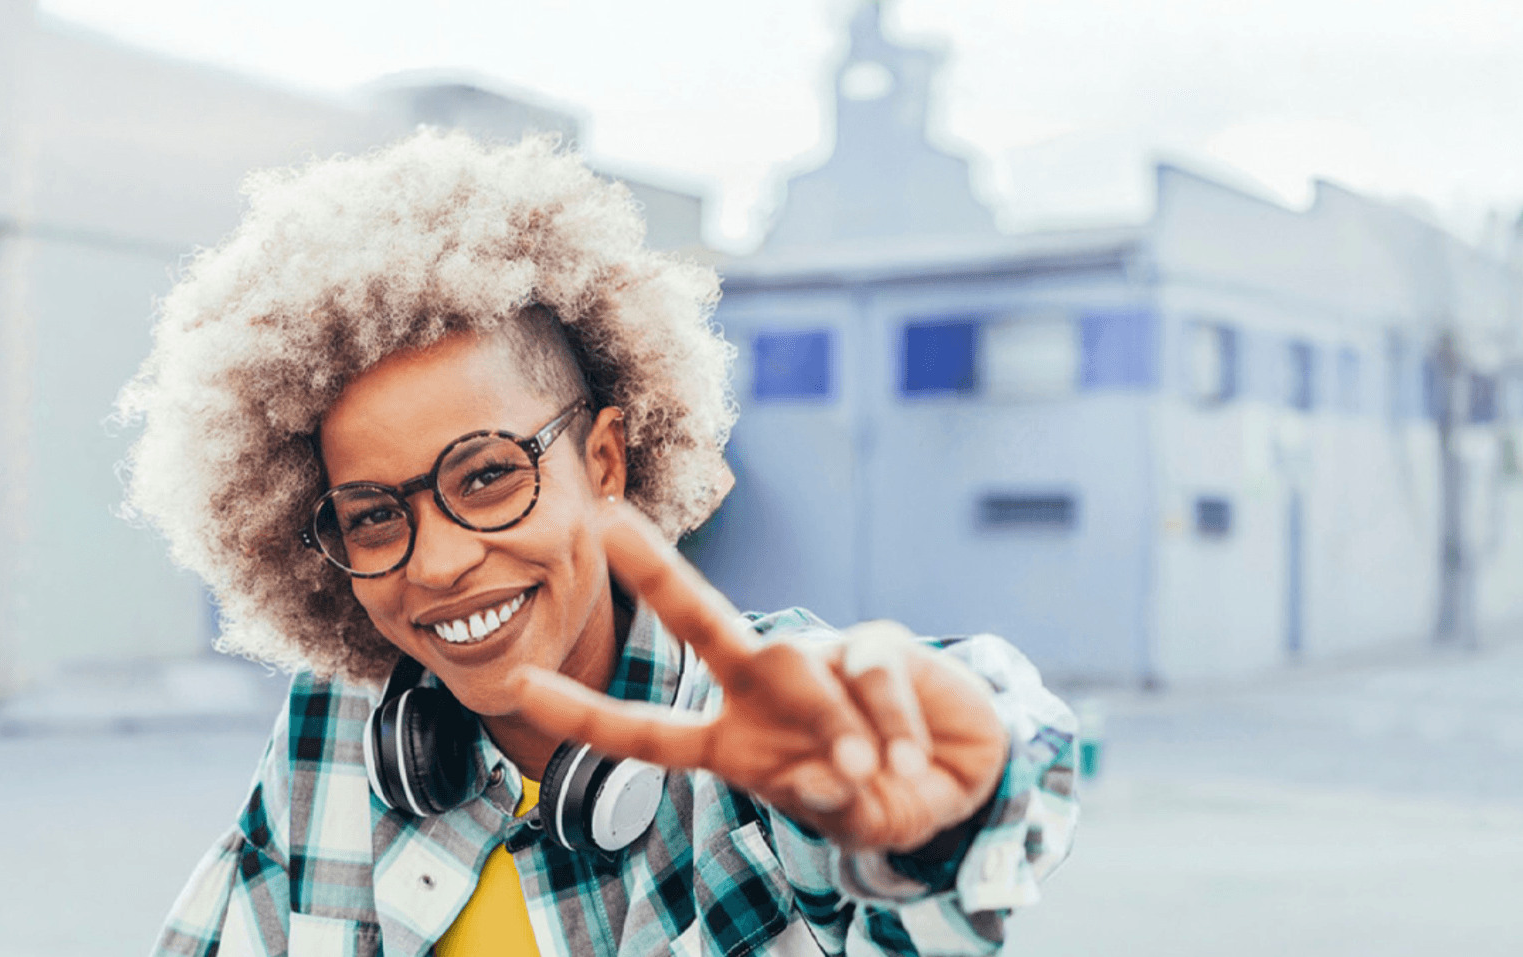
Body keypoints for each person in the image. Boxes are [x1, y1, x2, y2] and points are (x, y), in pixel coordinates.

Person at [117, 130, 1077, 957]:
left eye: (487, 474)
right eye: (373, 514)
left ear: (606, 460)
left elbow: (954, 789)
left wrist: (967, 778)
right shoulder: (331, 737)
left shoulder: (757, 741)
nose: (439, 560)